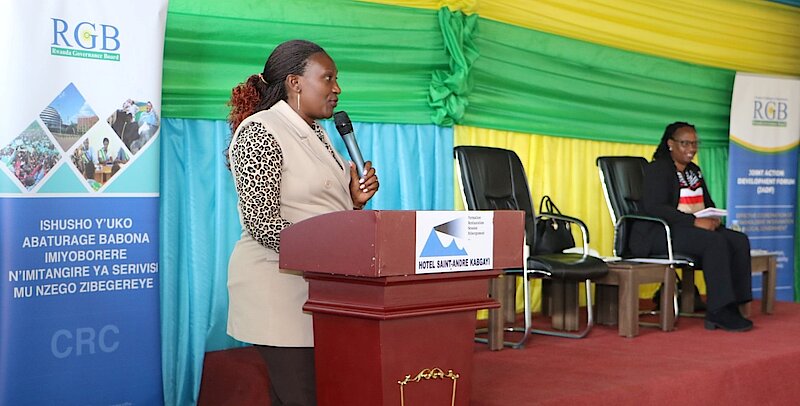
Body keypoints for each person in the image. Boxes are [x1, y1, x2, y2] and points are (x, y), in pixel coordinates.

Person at [225, 39, 379, 405]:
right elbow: (263, 222)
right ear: (294, 82)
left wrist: (353, 203)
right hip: (277, 291)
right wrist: (335, 253)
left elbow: (315, 210)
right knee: (303, 397)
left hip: (316, 290)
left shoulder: (317, 133)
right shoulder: (260, 131)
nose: (337, 89)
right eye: (328, 78)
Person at [629, 121, 753, 332]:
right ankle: (718, 311)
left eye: (695, 143)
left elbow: (707, 202)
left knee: (739, 240)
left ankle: (735, 304)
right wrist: (694, 221)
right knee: (715, 242)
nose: (691, 149)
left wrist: (713, 217)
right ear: (670, 144)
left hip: (690, 229)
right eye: (685, 143)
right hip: (661, 232)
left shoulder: (694, 171)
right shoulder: (658, 169)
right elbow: (655, 207)